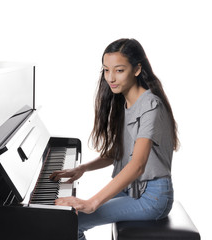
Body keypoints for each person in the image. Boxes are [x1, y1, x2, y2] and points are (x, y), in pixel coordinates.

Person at [50, 38, 179, 240]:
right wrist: (81, 168)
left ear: (137, 70)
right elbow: (117, 153)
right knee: (67, 219)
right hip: (132, 190)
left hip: (153, 198)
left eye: (119, 70)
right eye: (106, 70)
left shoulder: (150, 106)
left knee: (69, 225)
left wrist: (92, 203)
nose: (111, 78)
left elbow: (137, 165)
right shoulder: (126, 103)